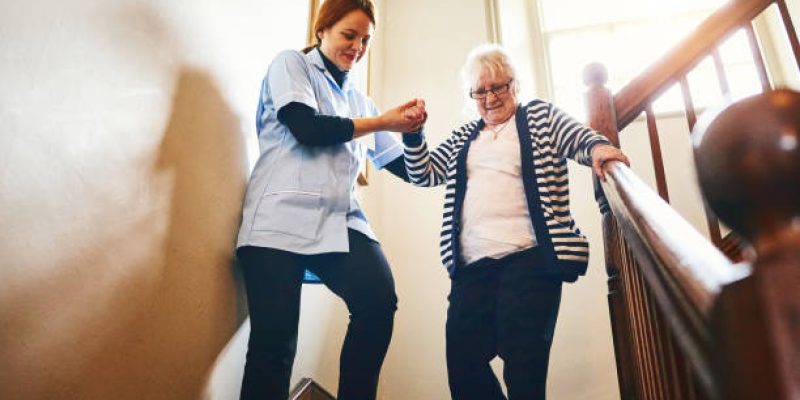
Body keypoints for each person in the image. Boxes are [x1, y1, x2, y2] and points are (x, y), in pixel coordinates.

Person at [401, 44, 628, 399]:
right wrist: (413, 135)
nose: (490, 97)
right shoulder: (465, 136)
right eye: (481, 90)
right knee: (463, 364)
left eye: (498, 86)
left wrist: (599, 148)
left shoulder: (540, 116)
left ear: (515, 85)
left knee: (524, 367)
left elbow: (579, 137)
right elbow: (424, 173)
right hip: (473, 266)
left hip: (529, 260)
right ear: (472, 95)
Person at [235, 0, 425, 398]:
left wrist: (412, 131)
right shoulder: (292, 64)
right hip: (277, 220)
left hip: (339, 221)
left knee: (377, 301)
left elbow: (408, 168)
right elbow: (306, 126)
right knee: (275, 344)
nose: (357, 47)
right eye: (349, 35)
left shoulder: (359, 99)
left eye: (366, 40)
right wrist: (384, 121)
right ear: (322, 30)